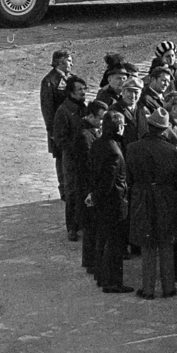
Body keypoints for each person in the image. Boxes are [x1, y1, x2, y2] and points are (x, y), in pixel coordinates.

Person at [125, 106, 177, 298]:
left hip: (142, 195)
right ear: (164, 129)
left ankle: (148, 288)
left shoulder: (132, 148)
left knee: (147, 243)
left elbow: (129, 177)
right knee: (166, 242)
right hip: (166, 196)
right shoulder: (173, 151)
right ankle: (168, 287)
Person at [87, 111, 132, 293]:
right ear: (118, 127)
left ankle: (101, 277)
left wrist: (93, 196)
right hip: (114, 204)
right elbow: (109, 180)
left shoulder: (98, 143)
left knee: (102, 241)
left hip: (102, 203)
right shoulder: (114, 150)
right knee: (115, 246)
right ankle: (113, 282)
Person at [52, 76, 89, 240]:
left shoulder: (84, 108)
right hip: (72, 159)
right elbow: (60, 138)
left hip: (84, 158)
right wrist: (75, 148)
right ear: (71, 92)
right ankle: (72, 228)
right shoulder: (63, 111)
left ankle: (82, 224)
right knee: (72, 192)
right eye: (80, 89)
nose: (83, 92)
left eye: (84, 89)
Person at [75, 99, 106, 274]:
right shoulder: (84, 135)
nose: (102, 122)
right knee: (91, 226)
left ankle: (92, 261)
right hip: (87, 187)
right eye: (100, 118)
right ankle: (90, 262)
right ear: (90, 116)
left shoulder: (94, 131)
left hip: (91, 185)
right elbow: (87, 166)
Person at [40, 49, 73, 196]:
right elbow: (47, 108)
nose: (71, 63)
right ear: (60, 62)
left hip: (72, 124)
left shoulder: (70, 78)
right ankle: (63, 189)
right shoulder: (49, 81)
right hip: (58, 127)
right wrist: (52, 131)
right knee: (61, 157)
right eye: (69, 60)